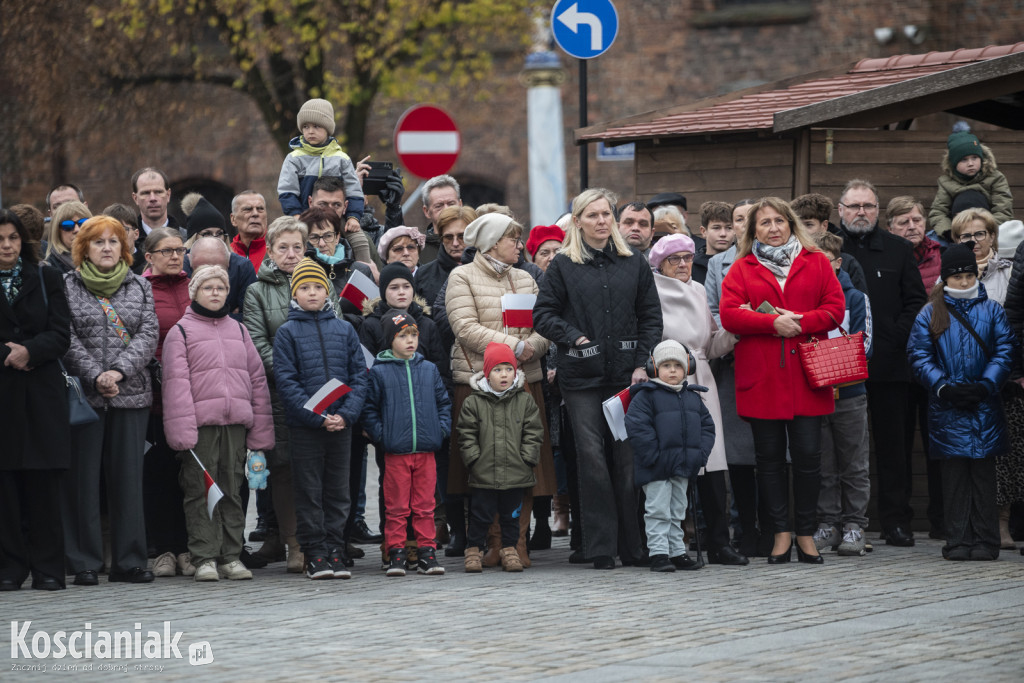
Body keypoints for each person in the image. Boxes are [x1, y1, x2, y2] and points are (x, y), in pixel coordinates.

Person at [534, 188, 663, 570]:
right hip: (581, 377)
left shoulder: (633, 262)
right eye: (593, 215)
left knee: (626, 460)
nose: (602, 221)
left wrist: (642, 364)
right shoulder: (562, 266)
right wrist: (573, 335)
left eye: (607, 214)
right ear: (578, 222)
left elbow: (650, 317)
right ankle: (599, 546)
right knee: (591, 459)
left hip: (626, 375)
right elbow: (543, 314)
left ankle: (632, 546)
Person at [720, 197, 845, 565]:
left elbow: (835, 310)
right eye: (764, 223)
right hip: (762, 380)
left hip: (807, 378)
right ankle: (780, 535)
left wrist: (800, 321)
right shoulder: (742, 268)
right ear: (753, 230)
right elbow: (729, 315)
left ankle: (805, 534)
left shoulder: (817, 262)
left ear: (792, 224)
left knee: (809, 458)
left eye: (779, 221)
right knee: (769, 461)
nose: (773, 228)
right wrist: (770, 322)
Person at [447, 212, 554, 568]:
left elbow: (546, 323)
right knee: (485, 468)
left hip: (526, 383)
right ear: (493, 243)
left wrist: (531, 348)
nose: (520, 246)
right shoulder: (462, 276)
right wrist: (511, 347)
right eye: (513, 239)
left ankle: (516, 543)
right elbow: (464, 327)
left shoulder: (526, 278)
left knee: (524, 466)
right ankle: (490, 543)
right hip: (479, 384)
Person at [61, 216, 159, 584]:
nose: (106, 248)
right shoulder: (68, 286)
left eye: (113, 242)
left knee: (128, 481)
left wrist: (117, 373)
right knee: (82, 483)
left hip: (130, 395)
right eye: (98, 242)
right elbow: (65, 336)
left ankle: (129, 560)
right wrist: (95, 376)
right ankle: (84, 561)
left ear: (124, 248)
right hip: (84, 397)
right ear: (83, 248)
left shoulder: (139, 287)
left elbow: (149, 333)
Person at [162, 265, 274, 581]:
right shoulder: (181, 332)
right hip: (200, 427)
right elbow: (176, 383)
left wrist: (260, 432)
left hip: (235, 424)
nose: (215, 293)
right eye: (208, 287)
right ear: (195, 292)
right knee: (201, 491)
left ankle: (231, 555)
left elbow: (257, 380)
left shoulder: (238, 330)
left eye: (221, 288)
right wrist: (183, 431)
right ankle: (205, 556)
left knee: (232, 490)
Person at [907, 244, 1015, 561]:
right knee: (953, 477)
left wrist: (986, 385)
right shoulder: (930, 312)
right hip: (947, 407)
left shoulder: (992, 310)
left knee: (983, 477)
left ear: (976, 274)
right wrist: (943, 387)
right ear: (945, 279)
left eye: (969, 275)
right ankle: (957, 539)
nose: (964, 282)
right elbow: (919, 355)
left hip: (984, 404)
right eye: (958, 277)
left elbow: (1005, 351)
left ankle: (986, 539)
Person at [836, 179, 927, 548]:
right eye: (854, 206)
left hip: (890, 366)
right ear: (839, 210)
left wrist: (889, 339)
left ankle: (896, 522)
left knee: (894, 448)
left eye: (868, 206)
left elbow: (915, 302)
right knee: (840, 449)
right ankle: (842, 522)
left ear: (878, 211)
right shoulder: (825, 248)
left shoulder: (899, 249)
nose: (861, 212)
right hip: (841, 366)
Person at [648, 233, 744, 565]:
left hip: (702, 379)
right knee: (673, 464)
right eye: (675, 259)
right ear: (659, 264)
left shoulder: (700, 290)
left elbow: (710, 345)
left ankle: (720, 542)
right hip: (667, 382)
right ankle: (671, 544)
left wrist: (736, 329)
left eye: (688, 257)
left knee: (713, 461)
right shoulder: (650, 292)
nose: (684, 264)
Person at [273, 258, 367, 579]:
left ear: (326, 290)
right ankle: (315, 553)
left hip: (341, 425)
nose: (311, 293)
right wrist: (317, 417)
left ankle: (335, 550)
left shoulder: (344, 329)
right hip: (307, 428)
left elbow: (359, 376)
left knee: (338, 492)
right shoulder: (287, 333)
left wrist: (346, 414)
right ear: (294, 292)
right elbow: (287, 382)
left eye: (317, 287)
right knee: (309, 491)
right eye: (304, 288)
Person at [244, 216, 328, 572]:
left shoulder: (320, 282)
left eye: (298, 247)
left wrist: (319, 380)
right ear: (271, 249)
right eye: (283, 247)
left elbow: (333, 326)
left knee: (315, 468)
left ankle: (319, 540)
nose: (291, 254)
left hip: (320, 392)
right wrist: (290, 377)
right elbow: (257, 341)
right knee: (282, 468)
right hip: (278, 392)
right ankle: (294, 543)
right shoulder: (257, 290)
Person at [0, 210, 71, 591]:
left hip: (41, 394)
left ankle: (48, 567)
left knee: (43, 484)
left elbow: (62, 333)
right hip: (4, 396)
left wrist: (30, 350)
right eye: (0, 240)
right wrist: (7, 355)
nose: (7, 246)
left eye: (12, 238)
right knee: (6, 484)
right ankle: (10, 567)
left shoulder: (47, 277)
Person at [362, 309, 451, 576]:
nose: (410, 341)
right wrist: (382, 436)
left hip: (426, 451)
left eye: (413, 335)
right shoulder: (380, 373)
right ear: (390, 340)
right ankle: (396, 553)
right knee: (397, 507)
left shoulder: (428, 369)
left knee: (425, 506)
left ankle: (427, 552)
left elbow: (443, 403)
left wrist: (440, 430)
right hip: (396, 452)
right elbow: (369, 409)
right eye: (403, 336)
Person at [704, 198, 763, 555]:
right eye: (737, 219)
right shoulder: (717, 263)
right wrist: (740, 329)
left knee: (773, 450)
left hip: (772, 360)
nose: (741, 225)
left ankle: (774, 528)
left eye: (748, 219)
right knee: (738, 453)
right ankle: (745, 529)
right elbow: (713, 311)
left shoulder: (778, 258)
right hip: (732, 361)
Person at [625, 340, 715, 573]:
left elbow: (707, 428)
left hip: (683, 466)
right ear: (654, 368)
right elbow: (637, 428)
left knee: (677, 510)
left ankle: (677, 551)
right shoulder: (645, 396)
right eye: (666, 365)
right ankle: (658, 552)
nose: (673, 370)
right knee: (657, 510)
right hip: (655, 468)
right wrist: (654, 456)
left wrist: (700, 455)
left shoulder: (693, 397)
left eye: (678, 365)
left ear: (688, 367)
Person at [811, 232, 873, 557]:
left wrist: (825, 362)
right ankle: (828, 524)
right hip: (815, 394)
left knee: (854, 464)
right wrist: (829, 359)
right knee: (824, 464)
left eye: (826, 261)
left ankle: (854, 525)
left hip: (850, 394)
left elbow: (864, 345)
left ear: (837, 263)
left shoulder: (857, 298)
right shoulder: (804, 298)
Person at [458, 342, 544, 573]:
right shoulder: (474, 402)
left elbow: (534, 432)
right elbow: (466, 434)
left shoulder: (524, 400)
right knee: (480, 515)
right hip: (483, 471)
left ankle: (509, 549)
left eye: (508, 369)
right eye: (497, 370)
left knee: (511, 516)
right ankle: (473, 549)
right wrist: (474, 460)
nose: (503, 375)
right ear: (487, 373)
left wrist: (527, 458)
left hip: (516, 471)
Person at [140, 227, 193, 578]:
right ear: (149, 256)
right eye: (166, 251)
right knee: (158, 474)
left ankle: (188, 548)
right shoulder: (140, 289)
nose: (175, 256)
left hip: (190, 396)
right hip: (154, 396)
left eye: (179, 249)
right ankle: (164, 549)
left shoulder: (193, 285)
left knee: (187, 474)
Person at [278, 98, 364, 233]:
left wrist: (353, 217)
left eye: (316, 126)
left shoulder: (341, 159)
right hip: (302, 219)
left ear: (328, 128)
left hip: (336, 220)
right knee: (280, 238)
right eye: (306, 127)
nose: (310, 131)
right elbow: (287, 191)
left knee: (360, 239)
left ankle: (365, 255)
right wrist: (295, 215)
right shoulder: (294, 158)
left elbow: (354, 191)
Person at [929, 125, 1013, 239]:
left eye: (974, 158)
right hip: (958, 231)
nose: (970, 163)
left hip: (989, 230)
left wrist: (987, 230)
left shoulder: (995, 178)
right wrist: (949, 232)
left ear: (982, 158)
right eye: (964, 160)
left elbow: (1003, 209)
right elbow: (938, 212)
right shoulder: (946, 182)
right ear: (953, 164)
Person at [299, 205, 375, 318]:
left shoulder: (360, 271)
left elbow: (373, 316)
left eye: (328, 236)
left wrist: (346, 322)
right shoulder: (300, 272)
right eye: (314, 238)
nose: (322, 244)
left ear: (337, 237)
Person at [415, 205, 478, 307]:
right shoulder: (424, 274)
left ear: (474, 236)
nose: (455, 243)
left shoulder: (491, 270)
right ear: (441, 238)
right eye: (448, 237)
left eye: (462, 236)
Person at [951, 208, 1011, 306]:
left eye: (979, 234)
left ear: (992, 237)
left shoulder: (1008, 272)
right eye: (966, 236)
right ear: (957, 240)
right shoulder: (947, 274)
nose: (973, 241)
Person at [886, 196, 942, 295]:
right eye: (904, 222)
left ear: (924, 223)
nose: (912, 227)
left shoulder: (942, 255)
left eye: (916, 220)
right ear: (890, 229)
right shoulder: (883, 259)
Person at [419, 175, 464, 264]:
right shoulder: (417, 251)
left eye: (451, 204)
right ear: (427, 211)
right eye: (439, 206)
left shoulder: (476, 244)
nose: (446, 209)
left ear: (460, 205)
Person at [693, 201, 735, 285]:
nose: (723, 234)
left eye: (729, 228)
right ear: (704, 231)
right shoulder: (691, 266)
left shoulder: (742, 262)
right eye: (716, 228)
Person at [45, 201, 92, 275]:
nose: (77, 230)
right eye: (68, 225)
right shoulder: (48, 268)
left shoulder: (106, 260)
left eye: (83, 223)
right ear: (57, 231)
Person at [230, 191, 270, 273]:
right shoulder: (227, 253)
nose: (255, 214)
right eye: (247, 209)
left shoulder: (278, 249)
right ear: (233, 219)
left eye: (260, 209)